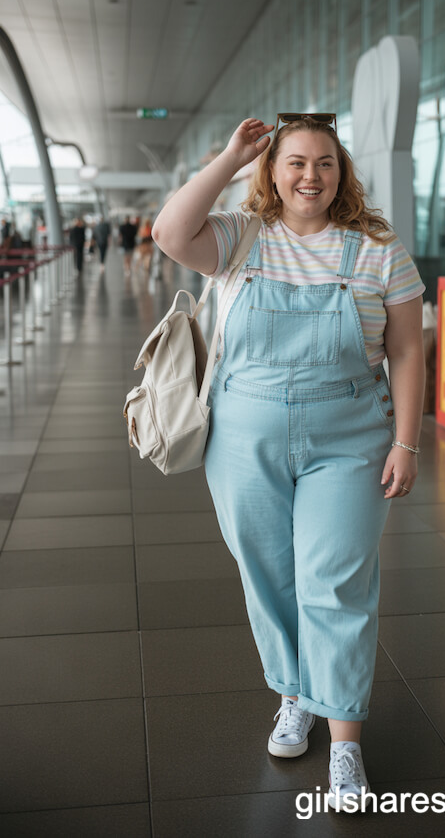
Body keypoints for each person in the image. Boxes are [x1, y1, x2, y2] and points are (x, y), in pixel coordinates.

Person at [152, 116, 425, 812]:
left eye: (326, 163)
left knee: (335, 582)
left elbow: (406, 351)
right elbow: (169, 233)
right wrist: (230, 157)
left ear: (343, 173)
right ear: (271, 173)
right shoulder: (241, 237)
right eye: (296, 162)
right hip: (244, 439)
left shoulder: (377, 250)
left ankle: (344, 744)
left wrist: (407, 440)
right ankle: (295, 693)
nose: (311, 176)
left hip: (350, 436)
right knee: (269, 574)